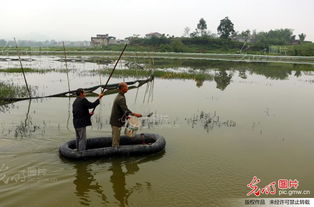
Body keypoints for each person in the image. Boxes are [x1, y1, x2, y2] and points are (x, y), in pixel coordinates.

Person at [110, 82, 142, 148]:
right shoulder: (121, 98)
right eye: (126, 87)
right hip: (116, 122)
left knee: (116, 137)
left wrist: (126, 116)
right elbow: (126, 110)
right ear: (122, 88)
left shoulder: (120, 96)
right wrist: (135, 114)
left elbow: (122, 110)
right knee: (115, 141)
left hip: (116, 121)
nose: (127, 88)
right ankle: (115, 152)